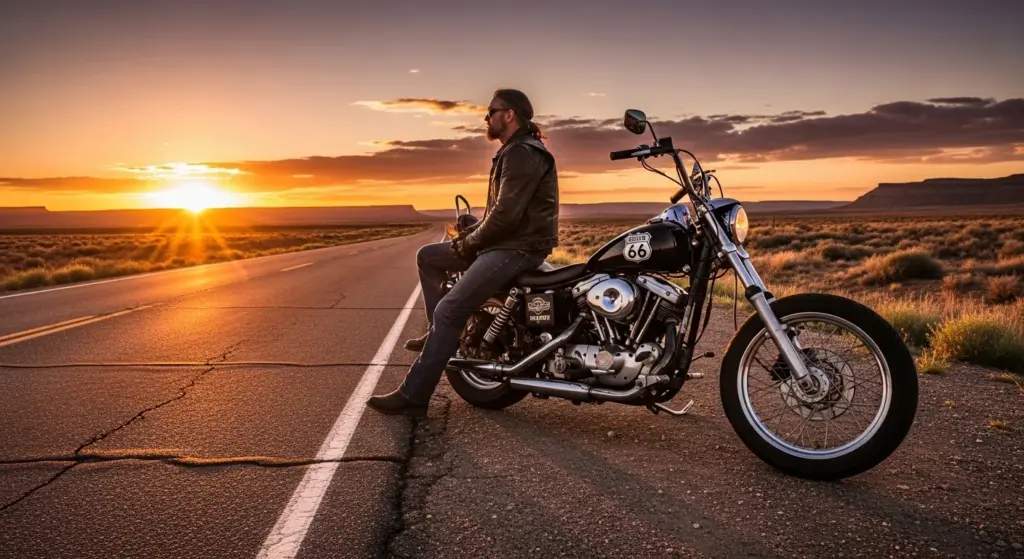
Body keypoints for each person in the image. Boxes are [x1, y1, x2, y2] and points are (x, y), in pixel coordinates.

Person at [366, 88, 560, 415]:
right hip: (506, 242)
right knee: (428, 256)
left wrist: (469, 242)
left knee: (450, 311)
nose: (487, 118)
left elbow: (505, 217)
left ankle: (414, 397)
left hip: (517, 248)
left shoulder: (522, 153)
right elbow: (503, 213)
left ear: (509, 114)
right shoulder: (514, 150)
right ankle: (434, 335)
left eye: (492, 111)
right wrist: (471, 233)